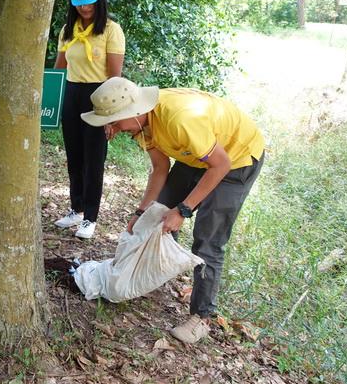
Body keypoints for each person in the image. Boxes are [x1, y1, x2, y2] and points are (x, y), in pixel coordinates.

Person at [81, 77, 265, 344]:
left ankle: (201, 317)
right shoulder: (142, 125)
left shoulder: (179, 119)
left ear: (132, 112)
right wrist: (140, 211)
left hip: (235, 161)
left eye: (114, 122)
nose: (112, 129)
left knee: (208, 240)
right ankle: (154, 275)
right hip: (198, 156)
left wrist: (184, 209)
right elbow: (159, 169)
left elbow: (220, 165)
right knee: (157, 215)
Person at [52, 0, 125, 240]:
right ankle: (76, 208)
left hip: (99, 95)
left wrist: (111, 116)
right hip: (71, 93)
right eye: (79, 2)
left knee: (94, 159)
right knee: (74, 156)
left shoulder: (111, 30)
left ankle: (91, 217)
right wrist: (50, 96)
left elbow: (114, 77)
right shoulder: (67, 30)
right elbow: (59, 68)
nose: (85, 7)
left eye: (89, 2)